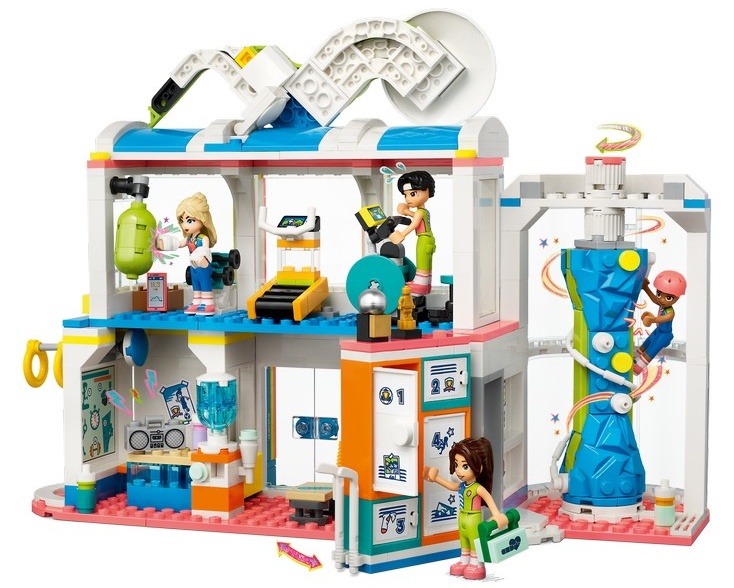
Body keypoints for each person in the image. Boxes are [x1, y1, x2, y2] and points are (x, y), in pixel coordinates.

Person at [423, 437, 508, 580]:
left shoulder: (478, 488)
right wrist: (435, 478)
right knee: (464, 540)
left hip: (474, 518)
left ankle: (477, 564)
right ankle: (464, 561)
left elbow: (489, 499)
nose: (458, 471)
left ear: (479, 467)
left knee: (475, 541)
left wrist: (497, 515)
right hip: (462, 517)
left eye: (465, 466)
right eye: (456, 465)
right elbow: (451, 486)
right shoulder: (462, 486)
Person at [156, 192, 218, 316]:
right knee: (196, 284)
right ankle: (197, 301)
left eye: (190, 221)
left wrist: (202, 259)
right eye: (182, 221)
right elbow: (179, 244)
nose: (185, 225)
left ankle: (208, 303)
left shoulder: (203, 238)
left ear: (202, 219)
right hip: (193, 266)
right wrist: (165, 244)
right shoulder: (189, 238)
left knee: (204, 282)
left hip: (203, 266)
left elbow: (205, 250)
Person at [389, 170, 436, 295]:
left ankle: (420, 284)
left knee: (422, 261)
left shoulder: (420, 212)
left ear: (427, 190)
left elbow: (414, 224)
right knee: (427, 262)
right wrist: (405, 211)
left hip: (423, 239)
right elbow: (416, 217)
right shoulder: (423, 211)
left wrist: (401, 234)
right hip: (429, 238)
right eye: (406, 195)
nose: (408, 199)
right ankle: (426, 285)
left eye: (413, 194)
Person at [633, 270, 686, 374]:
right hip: (658, 330)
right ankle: (635, 357)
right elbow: (654, 299)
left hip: (664, 335)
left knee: (651, 350)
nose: (662, 300)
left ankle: (638, 367)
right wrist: (646, 288)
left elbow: (663, 318)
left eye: (668, 297)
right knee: (646, 343)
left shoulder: (670, 312)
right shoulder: (662, 304)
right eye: (659, 294)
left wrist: (652, 319)